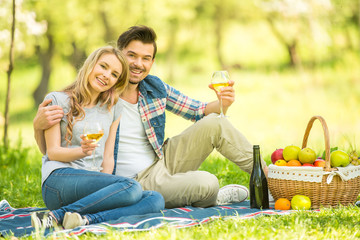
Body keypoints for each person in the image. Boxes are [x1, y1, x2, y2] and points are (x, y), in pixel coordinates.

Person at [33, 26, 268, 209]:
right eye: (132, 55)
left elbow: (198, 111)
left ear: (152, 62)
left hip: (161, 160)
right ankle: (211, 196)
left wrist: (223, 102)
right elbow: (57, 147)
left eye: (146, 58)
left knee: (216, 122)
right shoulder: (101, 90)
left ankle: (272, 182)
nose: (138, 64)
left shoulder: (153, 87)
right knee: (208, 182)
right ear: (119, 53)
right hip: (133, 182)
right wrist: (37, 125)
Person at [31, 46, 164, 230]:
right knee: (132, 187)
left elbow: (107, 158)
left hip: (89, 187)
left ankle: (83, 220)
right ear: (91, 64)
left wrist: (107, 192)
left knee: (155, 199)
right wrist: (81, 151)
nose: (106, 75)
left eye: (114, 74)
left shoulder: (114, 107)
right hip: (58, 181)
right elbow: (52, 153)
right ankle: (56, 215)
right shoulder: (58, 100)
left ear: (117, 81)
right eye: (103, 66)